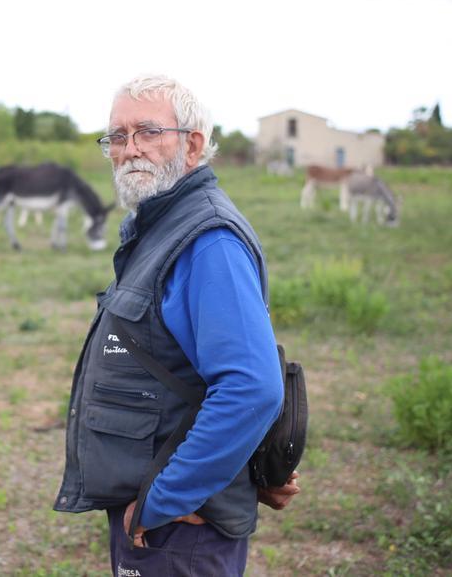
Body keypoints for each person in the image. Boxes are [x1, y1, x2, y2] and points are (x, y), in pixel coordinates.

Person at [54, 74, 301, 576]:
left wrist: (163, 498)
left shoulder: (208, 241)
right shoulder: (163, 225)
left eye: (147, 132)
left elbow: (251, 387)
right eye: (117, 137)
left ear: (192, 144)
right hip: (162, 517)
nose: (129, 150)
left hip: (180, 528)